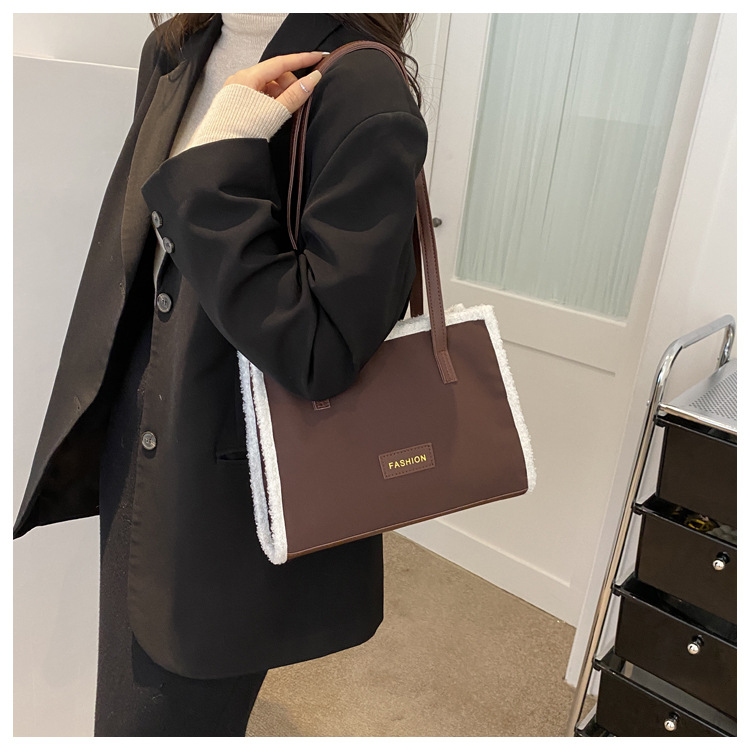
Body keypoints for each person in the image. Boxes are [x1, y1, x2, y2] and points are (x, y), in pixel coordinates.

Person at [13, 12, 427, 737]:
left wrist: (220, 158)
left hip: (228, 490)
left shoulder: (360, 83)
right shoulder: (176, 49)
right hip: (137, 438)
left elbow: (319, 349)